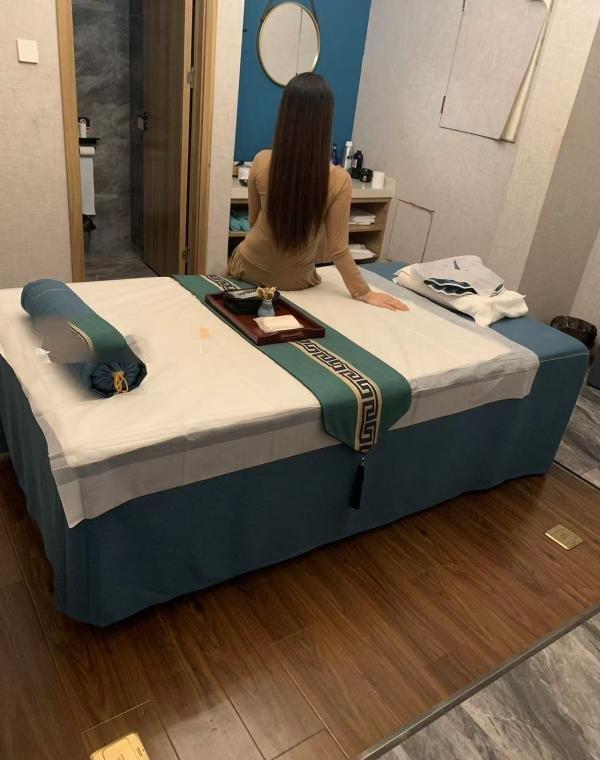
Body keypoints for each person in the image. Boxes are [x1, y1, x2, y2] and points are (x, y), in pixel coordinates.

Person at [228, 73, 408, 312]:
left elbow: (253, 222)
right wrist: (364, 292)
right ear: (326, 120)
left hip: (246, 268)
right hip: (295, 281)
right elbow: (338, 250)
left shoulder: (261, 161)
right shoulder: (339, 179)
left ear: (285, 114)